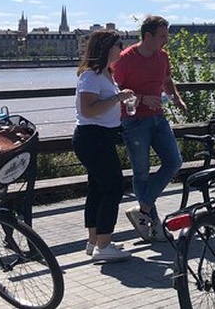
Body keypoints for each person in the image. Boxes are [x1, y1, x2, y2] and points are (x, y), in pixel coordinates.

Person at [113, 15, 187, 242]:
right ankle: (153, 225)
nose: (166, 40)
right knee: (141, 173)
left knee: (174, 161)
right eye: (162, 36)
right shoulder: (126, 59)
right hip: (134, 121)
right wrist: (142, 98)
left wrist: (176, 98)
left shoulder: (162, 56)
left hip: (158, 118)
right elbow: (115, 90)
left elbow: (166, 80)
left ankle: (142, 211)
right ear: (148, 36)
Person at [73, 30, 134, 262]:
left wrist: (120, 98)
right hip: (92, 138)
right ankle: (104, 245)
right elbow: (87, 110)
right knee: (114, 187)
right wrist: (118, 98)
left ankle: (94, 241)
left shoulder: (108, 74)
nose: (121, 48)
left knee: (97, 188)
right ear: (107, 47)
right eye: (119, 44)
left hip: (101, 138)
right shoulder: (91, 75)